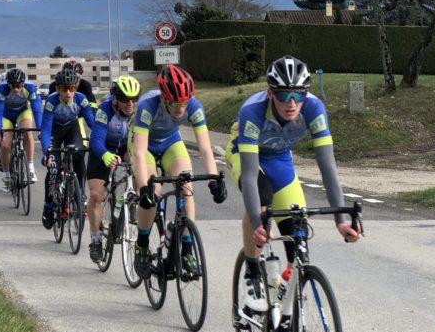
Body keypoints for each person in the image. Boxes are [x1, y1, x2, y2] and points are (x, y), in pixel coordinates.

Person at [226, 55, 361, 313]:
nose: (291, 103)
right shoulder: (251, 112)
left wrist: (341, 220)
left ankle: (289, 303)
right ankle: (253, 274)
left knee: (296, 226)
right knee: (263, 201)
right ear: (270, 93)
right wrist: (257, 224)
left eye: (298, 95)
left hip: (279, 157)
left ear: (305, 94)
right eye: (283, 95)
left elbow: (327, 167)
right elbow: (251, 175)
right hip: (245, 155)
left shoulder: (314, 108)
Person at [132, 64, 226, 278]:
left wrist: (214, 179)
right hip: (145, 145)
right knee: (153, 193)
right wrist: (145, 186)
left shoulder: (194, 106)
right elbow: (138, 152)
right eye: (174, 103)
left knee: (186, 186)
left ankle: (187, 249)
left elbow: (204, 147)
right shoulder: (148, 105)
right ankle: (143, 243)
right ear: (164, 97)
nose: (180, 108)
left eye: (184, 103)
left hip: (170, 142)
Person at [85, 74, 140, 262]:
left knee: (141, 170)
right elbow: (96, 139)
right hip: (102, 150)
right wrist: (106, 155)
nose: (130, 103)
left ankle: (128, 203)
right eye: (125, 99)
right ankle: (95, 240)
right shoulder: (104, 110)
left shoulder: (138, 113)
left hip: (125, 148)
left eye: (134, 99)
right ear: (115, 99)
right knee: (96, 195)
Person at [40, 68, 95, 230]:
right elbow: (45, 129)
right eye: (64, 89)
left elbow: (92, 123)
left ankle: (80, 193)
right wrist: (46, 153)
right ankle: (48, 205)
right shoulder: (51, 101)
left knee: (79, 153)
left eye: (72, 89)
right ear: (57, 89)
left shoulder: (82, 100)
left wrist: (98, 139)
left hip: (72, 128)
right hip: (54, 131)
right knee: (53, 168)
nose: (68, 93)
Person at [0, 67, 42, 189]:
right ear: (8, 84)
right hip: (6, 115)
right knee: (5, 144)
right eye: (12, 86)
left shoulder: (30, 88)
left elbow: (36, 110)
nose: (15, 89)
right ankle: (6, 174)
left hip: (22, 112)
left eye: (18, 86)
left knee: (28, 133)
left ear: (23, 84)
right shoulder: (2, 89)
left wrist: (40, 128)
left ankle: (30, 168)